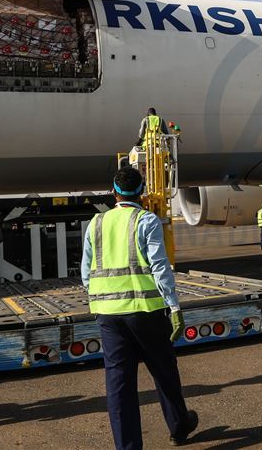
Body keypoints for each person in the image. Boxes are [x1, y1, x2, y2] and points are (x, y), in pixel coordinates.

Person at [82, 166, 198, 449]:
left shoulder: (96, 222)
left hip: (108, 316)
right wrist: (174, 307)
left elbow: (86, 273)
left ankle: (128, 446)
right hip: (146, 312)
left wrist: (104, 298)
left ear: (113, 192)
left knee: (119, 385)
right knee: (164, 371)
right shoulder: (146, 220)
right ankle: (178, 427)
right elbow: (160, 268)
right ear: (142, 192)